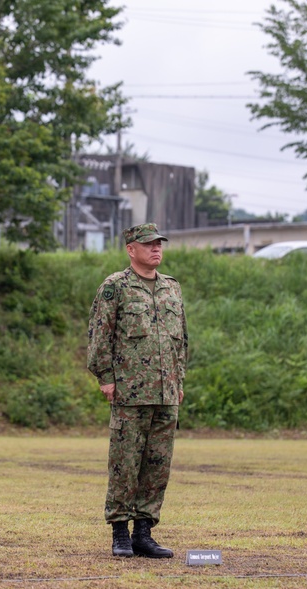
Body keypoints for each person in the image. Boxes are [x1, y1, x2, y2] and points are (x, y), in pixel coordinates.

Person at [87, 223, 188, 559]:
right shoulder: (115, 287)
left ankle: (144, 532)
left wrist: (179, 381)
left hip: (166, 392)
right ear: (131, 249)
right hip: (130, 391)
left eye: (159, 244)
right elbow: (100, 336)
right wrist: (106, 377)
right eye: (148, 245)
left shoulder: (172, 288)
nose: (156, 249)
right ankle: (120, 532)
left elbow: (181, 341)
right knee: (125, 464)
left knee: (157, 465)